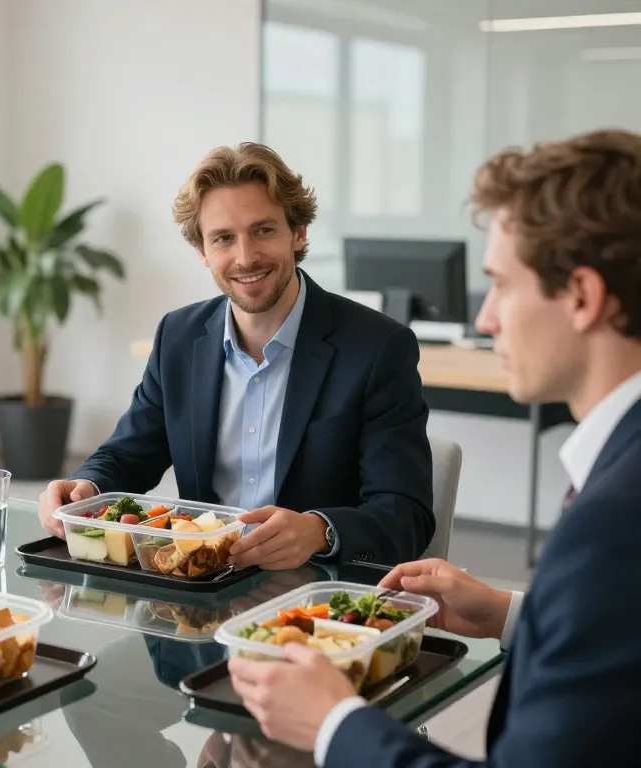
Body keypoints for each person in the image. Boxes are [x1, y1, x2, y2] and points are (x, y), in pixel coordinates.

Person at [227, 129, 641, 767]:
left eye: (501, 285)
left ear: (582, 296)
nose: (485, 319)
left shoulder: (612, 524)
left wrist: (335, 722)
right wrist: (512, 615)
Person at [38, 142, 434, 568]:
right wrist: (85, 486)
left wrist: (321, 530)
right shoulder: (178, 336)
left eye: (263, 230)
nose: (245, 257)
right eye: (223, 238)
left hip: (315, 595)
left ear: (297, 234)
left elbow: (405, 515)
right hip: (199, 589)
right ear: (202, 252)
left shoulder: (377, 348)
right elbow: (127, 454)